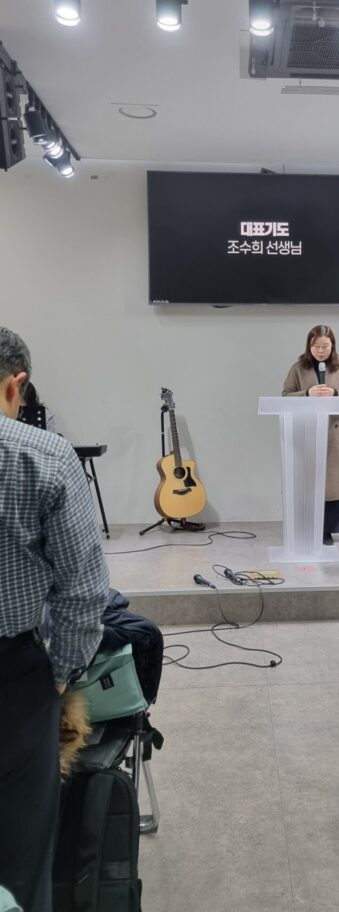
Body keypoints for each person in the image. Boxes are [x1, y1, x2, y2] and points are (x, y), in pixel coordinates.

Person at [0, 327, 109, 912]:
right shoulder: (43, 454)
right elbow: (85, 592)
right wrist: (61, 675)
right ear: (15, 385)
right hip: (12, 678)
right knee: (20, 861)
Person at [282, 324, 339, 545]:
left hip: (334, 432)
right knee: (308, 482)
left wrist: (334, 392)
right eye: (316, 346)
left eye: (325, 346)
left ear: (332, 346)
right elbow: (285, 395)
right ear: (309, 346)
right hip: (307, 431)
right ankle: (306, 526)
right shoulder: (298, 368)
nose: (321, 351)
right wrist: (307, 393)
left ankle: (328, 530)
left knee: (333, 484)